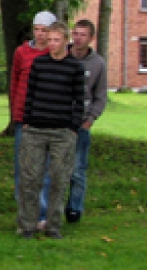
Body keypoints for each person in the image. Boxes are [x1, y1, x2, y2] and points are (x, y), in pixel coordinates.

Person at [16, 21, 85, 239]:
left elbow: (79, 100)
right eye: (50, 40)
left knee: (59, 179)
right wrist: (27, 120)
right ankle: (27, 224)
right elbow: (30, 93)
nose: (52, 44)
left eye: (56, 40)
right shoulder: (39, 64)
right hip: (35, 128)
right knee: (30, 178)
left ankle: (53, 226)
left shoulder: (75, 67)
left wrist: (73, 127)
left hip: (62, 131)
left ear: (65, 41)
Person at [41, 19, 108, 224]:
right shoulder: (62, 56)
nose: (78, 38)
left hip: (81, 123)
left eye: (83, 35)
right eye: (76, 34)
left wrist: (90, 119)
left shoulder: (98, 64)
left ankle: (74, 208)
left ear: (91, 38)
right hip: (59, 120)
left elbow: (100, 96)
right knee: (52, 168)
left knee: (77, 169)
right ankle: (49, 210)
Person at [10, 11, 58, 194]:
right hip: (24, 116)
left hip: (47, 116)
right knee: (22, 165)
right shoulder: (21, 52)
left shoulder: (55, 53)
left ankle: (42, 207)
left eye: (44, 30)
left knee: (46, 167)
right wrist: (16, 111)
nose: (40, 34)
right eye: (37, 29)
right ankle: (23, 205)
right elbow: (15, 82)